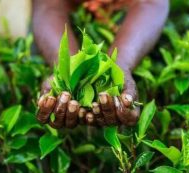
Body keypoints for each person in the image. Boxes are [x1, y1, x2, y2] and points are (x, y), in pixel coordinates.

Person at [34, 0, 169, 128]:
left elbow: (150, 2)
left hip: (132, 23)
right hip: (67, 23)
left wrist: (119, 66)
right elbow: (49, 6)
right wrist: (66, 68)